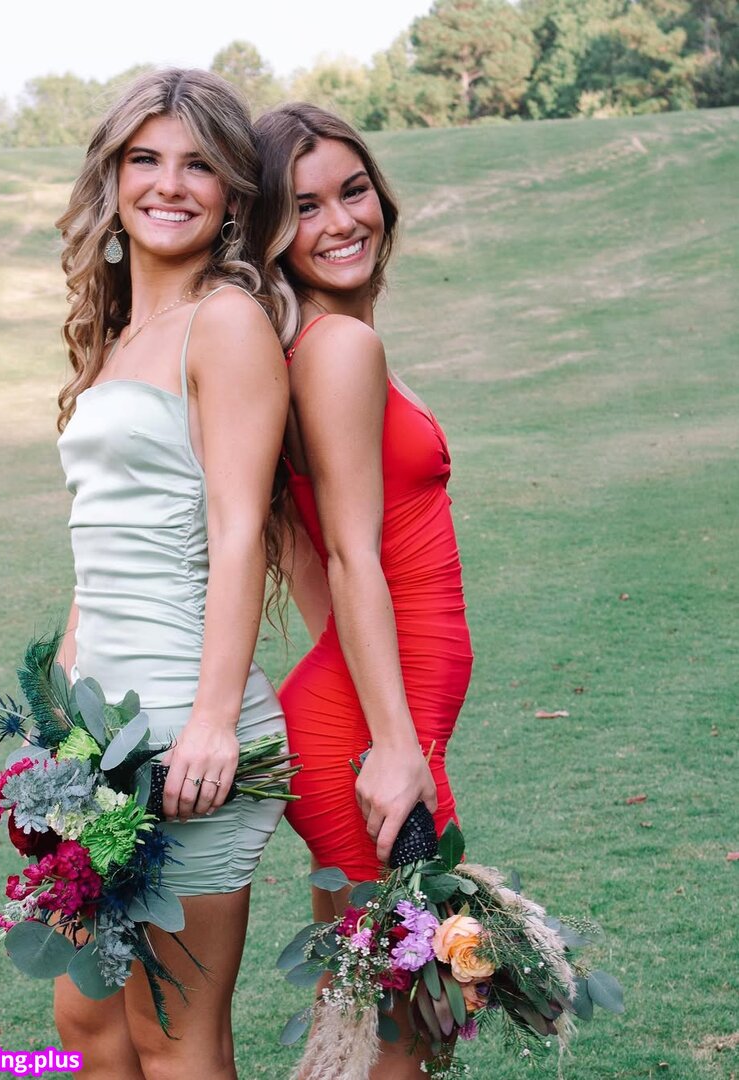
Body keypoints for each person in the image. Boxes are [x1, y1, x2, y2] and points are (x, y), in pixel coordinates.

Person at [53, 69, 290, 1080]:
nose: (168, 183)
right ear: (111, 180)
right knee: (89, 1024)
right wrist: (61, 709)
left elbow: (238, 531)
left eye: (199, 165)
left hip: (190, 735)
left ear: (233, 194)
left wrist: (213, 722)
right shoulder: (114, 338)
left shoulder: (223, 322)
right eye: (144, 159)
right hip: (100, 733)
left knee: (173, 1037)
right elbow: (99, 539)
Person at [253, 104, 474, 1077]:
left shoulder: (318, 343)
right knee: (401, 1027)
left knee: (369, 1020)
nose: (342, 221)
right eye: (304, 207)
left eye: (353, 191)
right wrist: (387, 743)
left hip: (369, 718)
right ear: (269, 231)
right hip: (374, 738)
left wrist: (365, 703)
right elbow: (345, 554)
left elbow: (306, 545)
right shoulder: (336, 349)